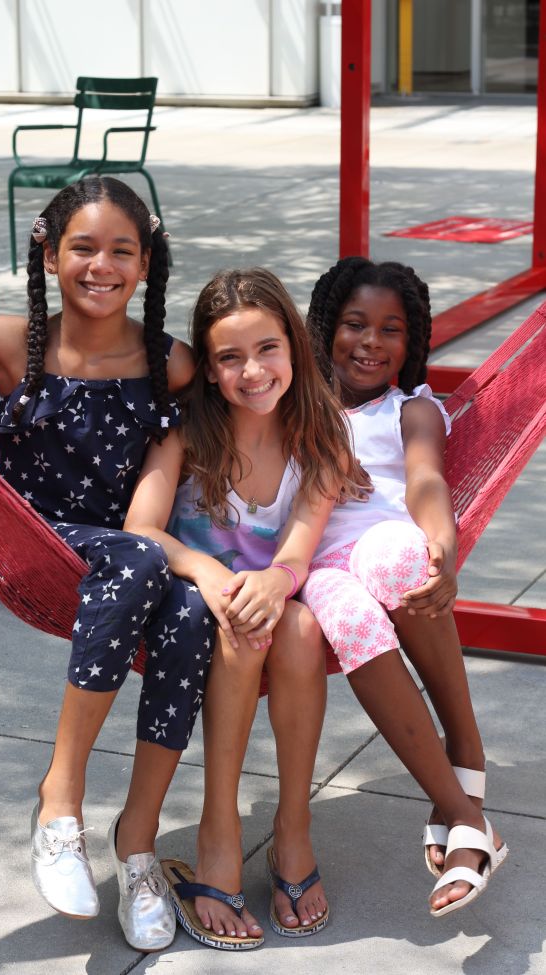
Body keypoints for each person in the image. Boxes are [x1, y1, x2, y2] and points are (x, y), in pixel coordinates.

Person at [0, 176, 215, 952]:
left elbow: (252, 406)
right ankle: (61, 797)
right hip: (33, 546)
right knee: (143, 557)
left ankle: (136, 844)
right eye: (82, 247)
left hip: (125, 559)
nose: (100, 265)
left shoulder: (170, 364)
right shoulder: (10, 344)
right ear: (47, 249)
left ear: (146, 263)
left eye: (120, 250)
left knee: (192, 609)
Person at [124, 267, 365, 950]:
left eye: (267, 348)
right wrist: (204, 567)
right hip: (189, 610)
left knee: (297, 624)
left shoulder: (318, 438)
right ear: (206, 369)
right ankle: (219, 832)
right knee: (242, 624)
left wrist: (278, 578)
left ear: (293, 345)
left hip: (267, 599)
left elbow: (300, 545)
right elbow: (142, 528)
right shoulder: (188, 433)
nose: (252, 370)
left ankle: (293, 826)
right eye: (229, 357)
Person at [303, 256, 508, 917]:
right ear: (327, 326)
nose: (370, 342)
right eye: (355, 324)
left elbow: (425, 480)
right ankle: (465, 813)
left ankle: (465, 746)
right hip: (315, 569)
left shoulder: (410, 408)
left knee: (403, 562)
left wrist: (441, 547)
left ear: (411, 343)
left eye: (390, 329)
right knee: (351, 615)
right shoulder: (291, 401)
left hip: (383, 546)